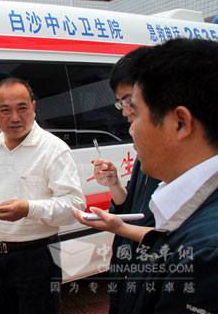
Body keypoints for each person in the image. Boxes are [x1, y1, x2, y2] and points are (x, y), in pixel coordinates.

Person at [73, 38, 218, 313]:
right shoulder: (185, 205)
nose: (129, 127)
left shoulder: (207, 253)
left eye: (135, 110)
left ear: (180, 122)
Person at [0, 77, 86, 314]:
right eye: (5, 110)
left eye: (22, 108)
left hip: (37, 257)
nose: (15, 118)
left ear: (33, 107)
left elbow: (74, 206)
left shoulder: (54, 149)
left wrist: (28, 208)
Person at [93, 46, 161, 313]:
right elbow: (132, 206)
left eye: (127, 101)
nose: (123, 111)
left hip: (151, 270)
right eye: (119, 102)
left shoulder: (176, 160)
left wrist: (118, 227)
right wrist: (114, 184)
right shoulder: (144, 149)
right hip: (127, 266)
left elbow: (168, 237)